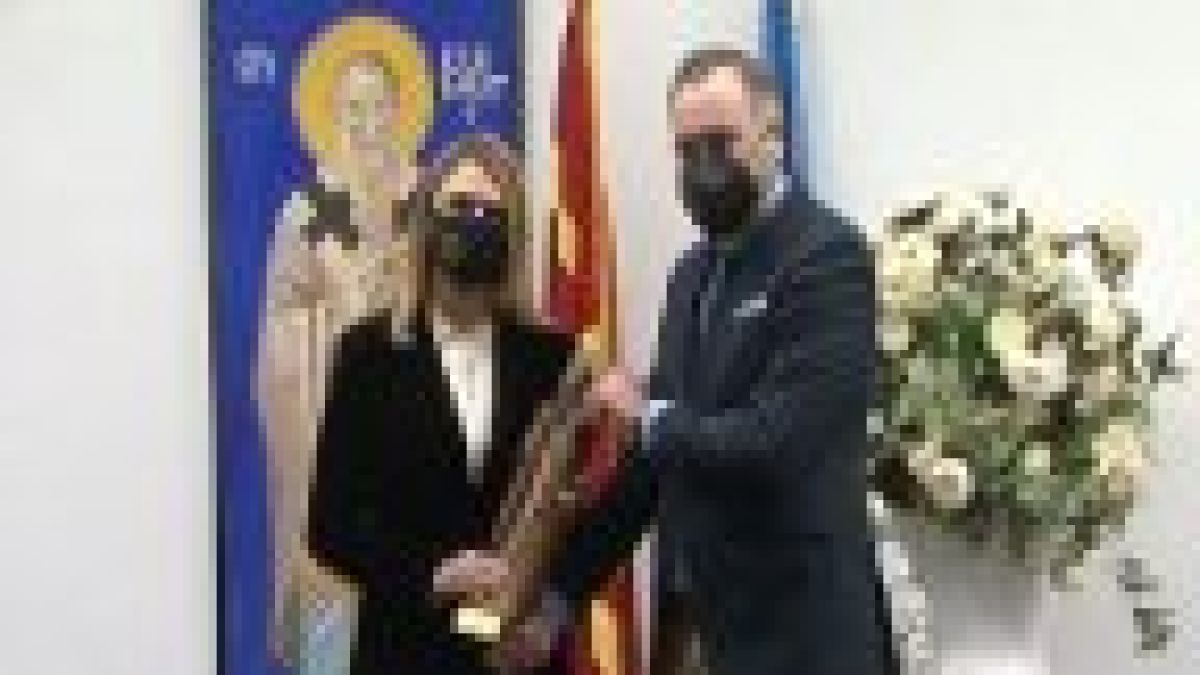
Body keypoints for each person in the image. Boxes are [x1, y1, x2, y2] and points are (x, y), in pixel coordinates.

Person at [436, 49, 898, 675]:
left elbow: (779, 442)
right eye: (686, 149)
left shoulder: (826, 258)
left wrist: (649, 416)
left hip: (803, 639)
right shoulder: (690, 276)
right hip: (699, 633)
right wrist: (555, 603)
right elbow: (651, 471)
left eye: (721, 143)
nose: (703, 167)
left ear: (773, 138)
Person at [305, 135, 576, 675]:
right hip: (405, 648)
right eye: (459, 206)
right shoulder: (369, 353)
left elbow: (575, 513)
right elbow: (330, 525)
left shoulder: (553, 358)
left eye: (492, 212)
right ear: (427, 221)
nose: (475, 222)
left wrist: (548, 611)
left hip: (517, 655)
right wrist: (434, 573)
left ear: (515, 233)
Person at [256, 44, 427, 664]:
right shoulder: (306, 214)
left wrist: (406, 305)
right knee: (332, 633)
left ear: (399, 112)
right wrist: (345, 322)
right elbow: (280, 338)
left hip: (419, 451)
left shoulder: (429, 204)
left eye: (378, 106)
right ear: (332, 115)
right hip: (333, 452)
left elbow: (465, 320)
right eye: (353, 109)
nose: (366, 124)